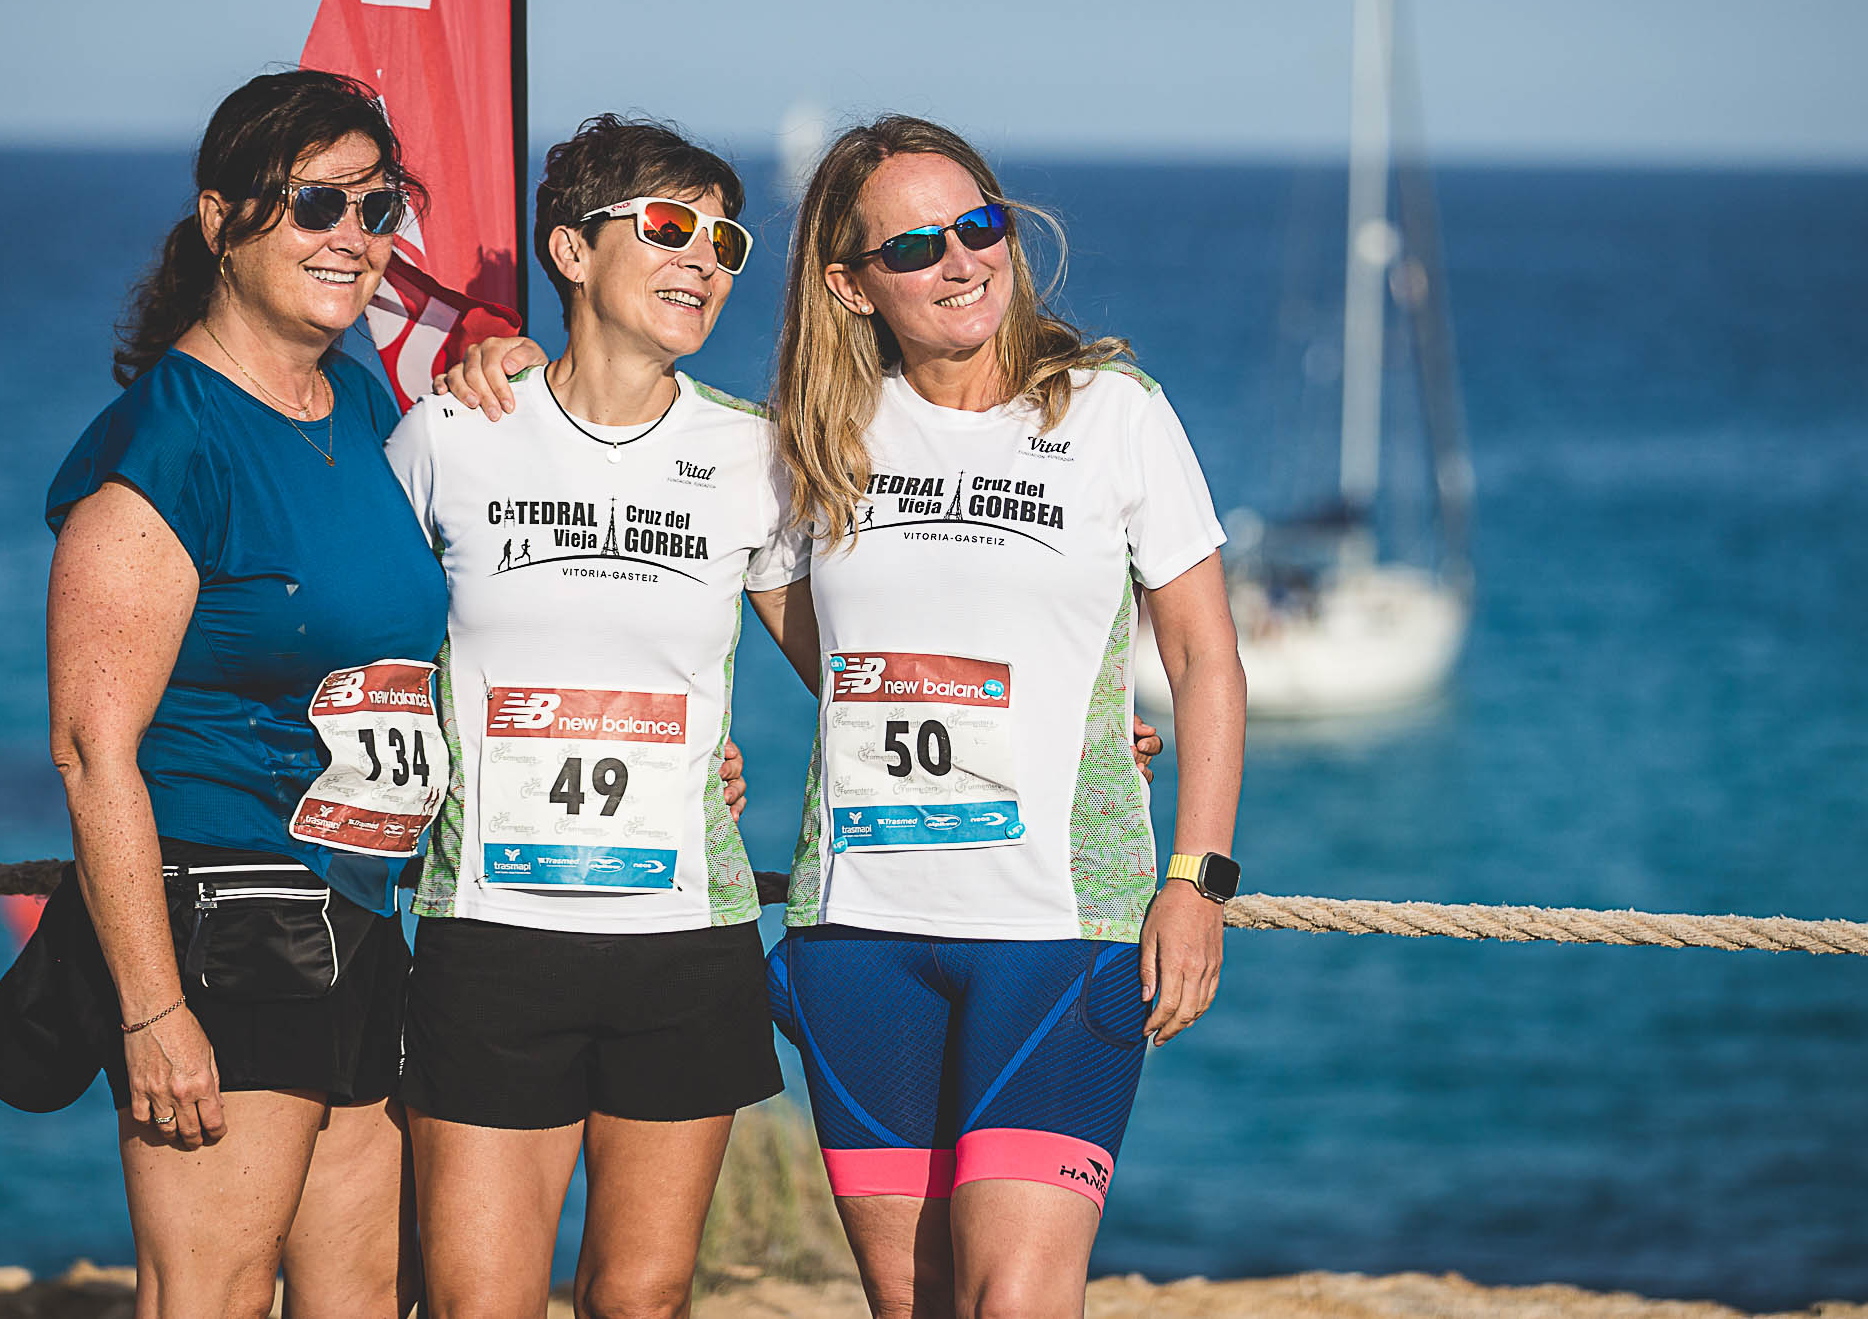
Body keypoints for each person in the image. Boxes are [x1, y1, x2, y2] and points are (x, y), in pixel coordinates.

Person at [763, 115, 1247, 1319]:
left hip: (1059, 929)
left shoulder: (1112, 412)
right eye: (914, 245)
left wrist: (1198, 876)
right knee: (913, 1303)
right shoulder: (815, 433)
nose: (961, 260)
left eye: (979, 225)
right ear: (851, 283)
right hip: (859, 932)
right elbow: (778, 596)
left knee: (1016, 1297)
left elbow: (1202, 654)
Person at [387, 116, 820, 1319]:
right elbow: (355, 645)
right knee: (480, 1300)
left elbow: (848, 667)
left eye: (724, 242)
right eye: (670, 227)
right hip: (490, 926)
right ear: (572, 250)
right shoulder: (451, 432)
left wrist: (1077, 724)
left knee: (642, 1295)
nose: (704, 261)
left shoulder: (754, 455)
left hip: (681, 932)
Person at [44, 69, 447, 1319]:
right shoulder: (169, 441)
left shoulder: (357, 397)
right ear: (221, 219)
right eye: (316, 202)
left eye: (377, 208)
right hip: (229, 917)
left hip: (361, 902)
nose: (352, 237)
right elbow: (91, 748)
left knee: (361, 1293)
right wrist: (152, 1008)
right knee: (211, 1291)